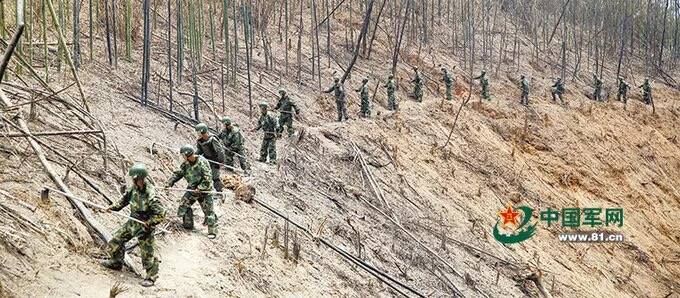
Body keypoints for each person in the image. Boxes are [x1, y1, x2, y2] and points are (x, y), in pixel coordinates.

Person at [101, 163, 166, 287]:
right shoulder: (133, 189)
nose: (132, 180)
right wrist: (112, 208)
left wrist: (150, 223)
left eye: (133, 178)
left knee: (147, 252)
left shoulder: (150, 194)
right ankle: (116, 262)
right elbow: (124, 201)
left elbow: (161, 213)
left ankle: (151, 277)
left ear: (139, 178)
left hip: (145, 225)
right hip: (132, 221)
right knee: (117, 239)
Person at [166, 145, 218, 239]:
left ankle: (212, 231)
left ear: (187, 154)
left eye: (183, 155)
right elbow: (178, 173)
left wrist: (200, 188)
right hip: (192, 189)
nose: (182, 157)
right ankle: (188, 224)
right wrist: (170, 183)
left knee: (208, 211)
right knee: (184, 205)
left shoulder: (202, 162)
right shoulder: (185, 164)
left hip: (205, 191)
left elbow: (208, 178)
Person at [195, 123, 225, 194]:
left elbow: (219, 151)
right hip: (206, 160)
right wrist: (195, 156)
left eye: (198, 132)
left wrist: (221, 161)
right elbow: (199, 150)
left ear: (202, 131)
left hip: (215, 161)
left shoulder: (212, 139)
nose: (197, 134)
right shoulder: (200, 141)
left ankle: (220, 193)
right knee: (205, 175)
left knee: (215, 177)